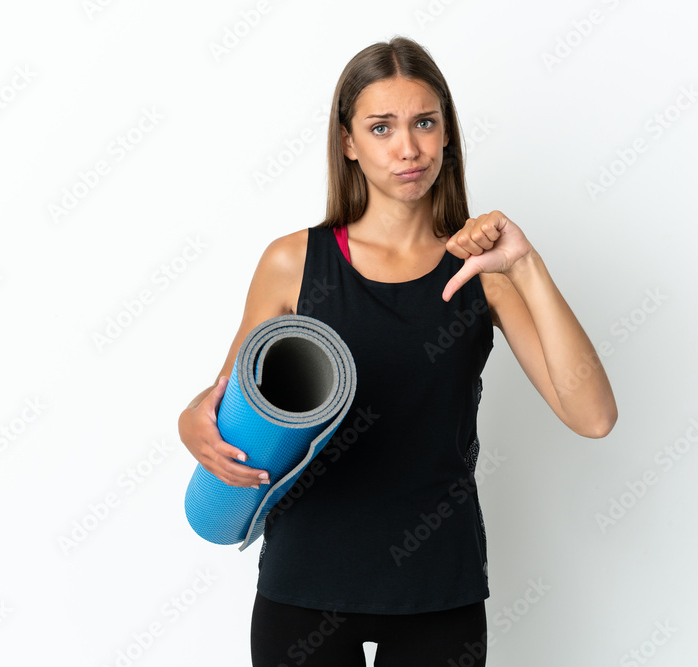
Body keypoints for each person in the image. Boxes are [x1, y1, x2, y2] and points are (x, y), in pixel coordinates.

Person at [178, 35, 618, 667]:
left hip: (438, 586)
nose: (408, 147)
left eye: (424, 123)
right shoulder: (293, 262)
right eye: (381, 127)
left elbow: (593, 416)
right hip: (307, 580)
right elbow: (228, 398)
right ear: (349, 143)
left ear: (447, 136)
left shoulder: (481, 270)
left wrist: (526, 266)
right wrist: (190, 420)